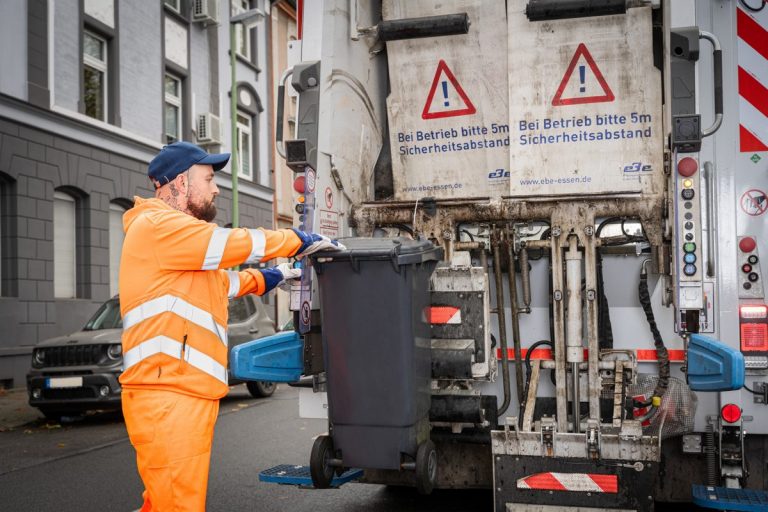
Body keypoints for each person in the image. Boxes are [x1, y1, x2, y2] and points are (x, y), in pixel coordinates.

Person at [119, 141, 342, 511]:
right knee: (178, 506)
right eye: (208, 178)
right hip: (168, 397)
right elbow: (230, 243)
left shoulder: (176, 242)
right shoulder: (158, 225)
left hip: (178, 394)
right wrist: (298, 241)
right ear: (178, 182)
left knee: (163, 503)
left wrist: (274, 276)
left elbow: (224, 283)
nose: (216, 187)